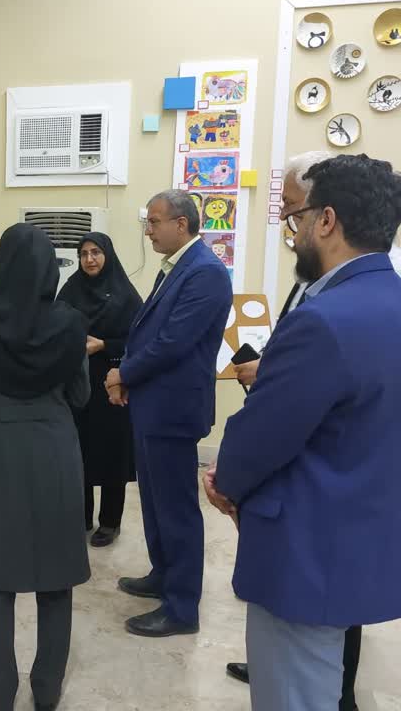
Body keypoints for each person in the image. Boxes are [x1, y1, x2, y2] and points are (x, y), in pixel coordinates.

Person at [205, 154, 401, 711]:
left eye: (296, 220)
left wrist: (225, 481)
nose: (292, 237)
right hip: (364, 537)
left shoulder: (323, 319)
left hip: (305, 553)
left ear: (327, 220)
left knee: (293, 696)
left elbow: (263, 434)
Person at [0, 223, 91, 711]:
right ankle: (46, 687)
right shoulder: (71, 323)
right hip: (55, 453)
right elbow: (80, 396)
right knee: (56, 576)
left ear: (0, 264)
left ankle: (0, 688)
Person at [105, 190, 232, 637]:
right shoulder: (177, 266)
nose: (148, 231)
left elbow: (172, 343)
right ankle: (163, 575)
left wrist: (123, 373)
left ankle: (181, 608)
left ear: (182, 224)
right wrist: (128, 375)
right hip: (153, 404)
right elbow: (146, 331)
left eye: (154, 222)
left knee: (176, 509)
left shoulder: (205, 272)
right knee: (156, 503)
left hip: (173, 408)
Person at [57, 233, 143, 547]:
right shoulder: (69, 290)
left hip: (112, 383)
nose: (89, 259)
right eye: (83, 254)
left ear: (107, 255)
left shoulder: (126, 295)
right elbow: (55, 327)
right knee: (77, 450)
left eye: (95, 252)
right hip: (76, 383)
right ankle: (80, 516)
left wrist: (104, 344)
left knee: (112, 451)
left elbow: (140, 341)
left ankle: (110, 521)